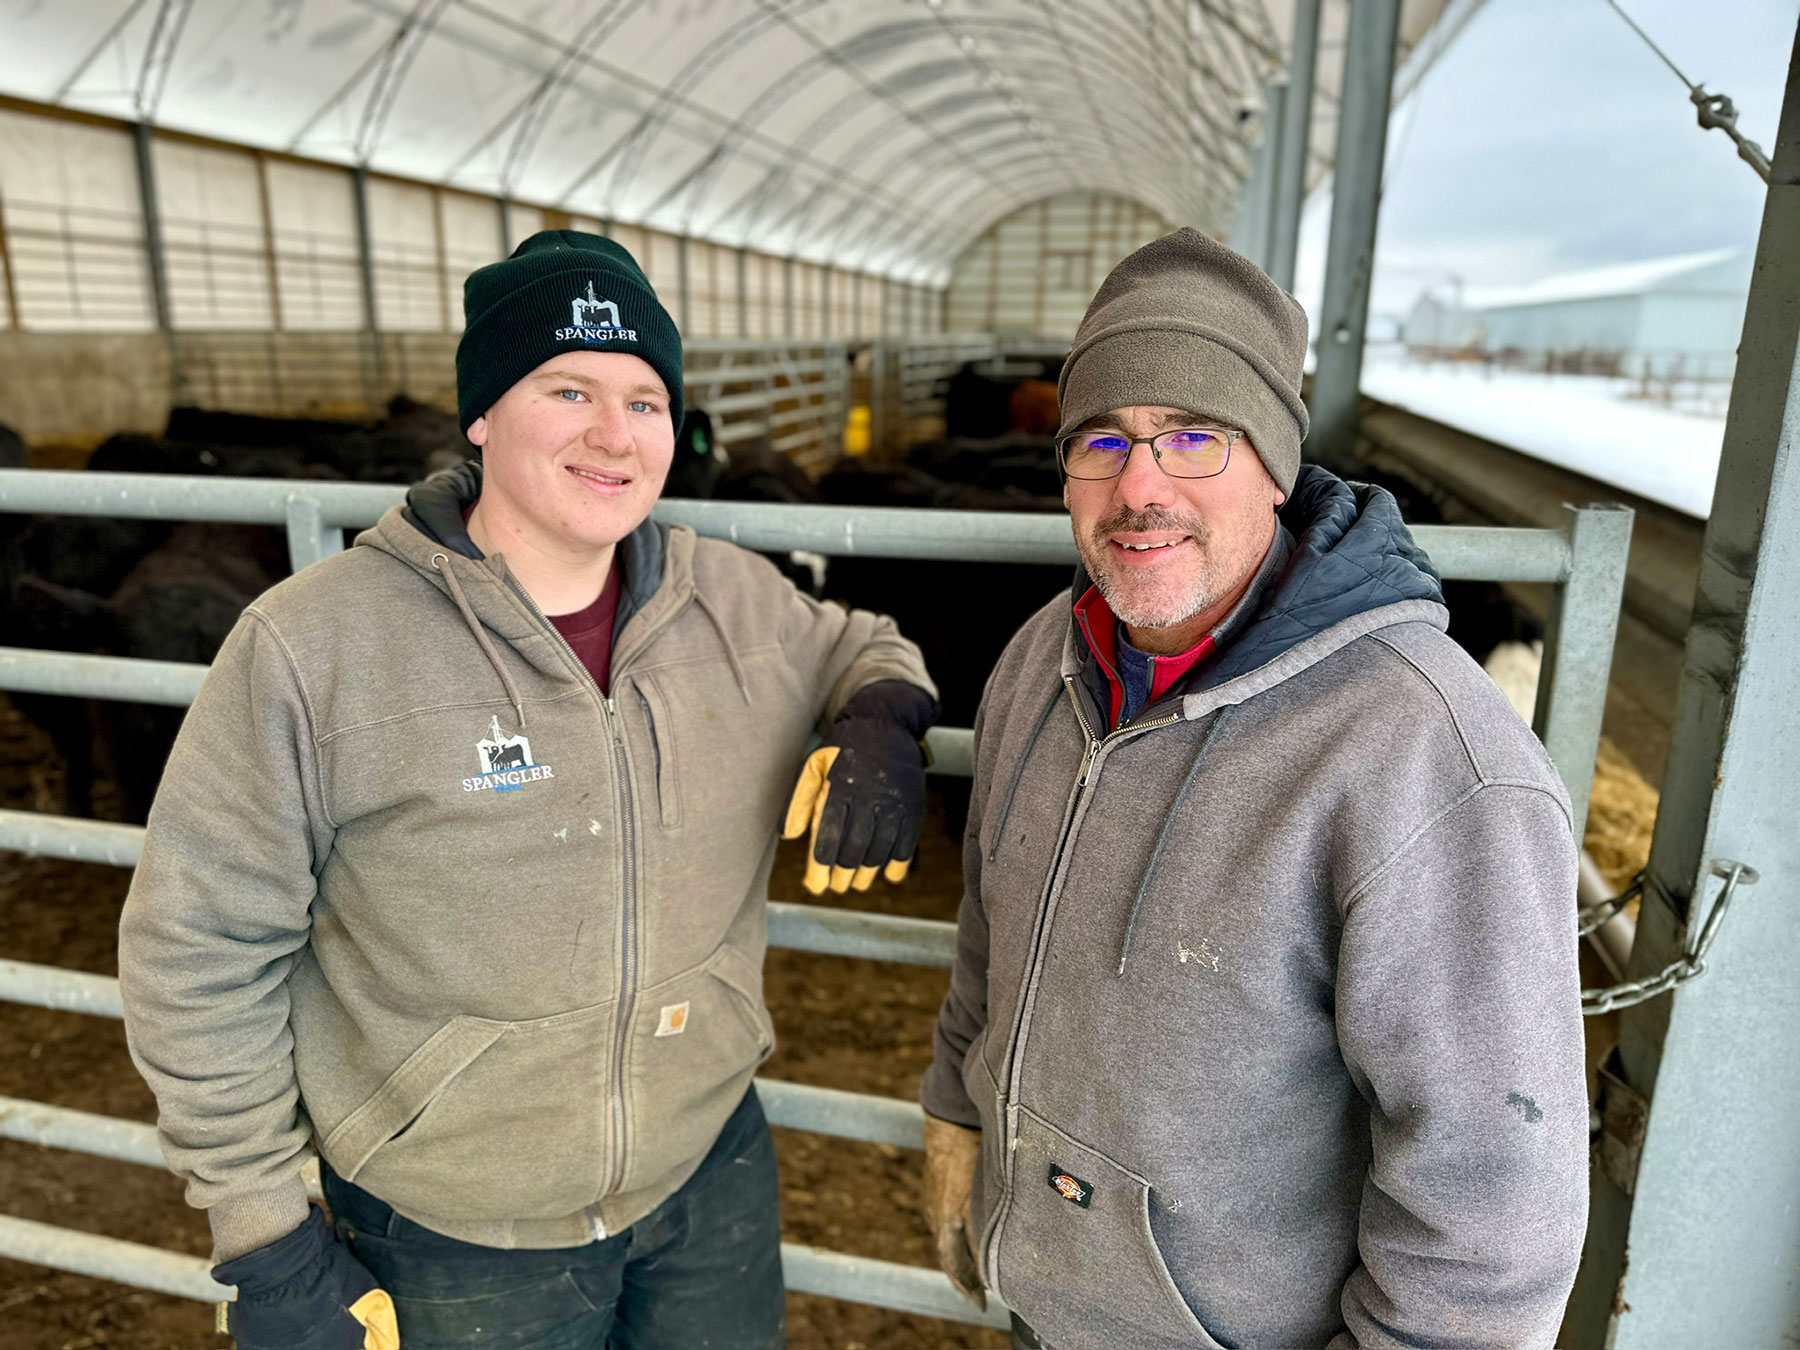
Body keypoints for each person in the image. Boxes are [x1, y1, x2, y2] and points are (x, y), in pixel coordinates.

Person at [118, 230, 937, 1349]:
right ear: (484, 414)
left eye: (646, 400)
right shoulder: (316, 645)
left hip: (707, 1171)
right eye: (569, 389)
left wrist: (885, 715)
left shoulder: (735, 605)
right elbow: (198, 943)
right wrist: (264, 1237)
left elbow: (866, 643)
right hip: (452, 1219)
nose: (615, 434)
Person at [918, 228, 1588, 1349]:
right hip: (1048, 1302)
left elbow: (1493, 1211)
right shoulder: (1045, 657)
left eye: (1193, 437)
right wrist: (956, 1105)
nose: (1141, 487)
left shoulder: (1428, 761)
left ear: (1275, 465)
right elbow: (995, 921)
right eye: (1102, 440)